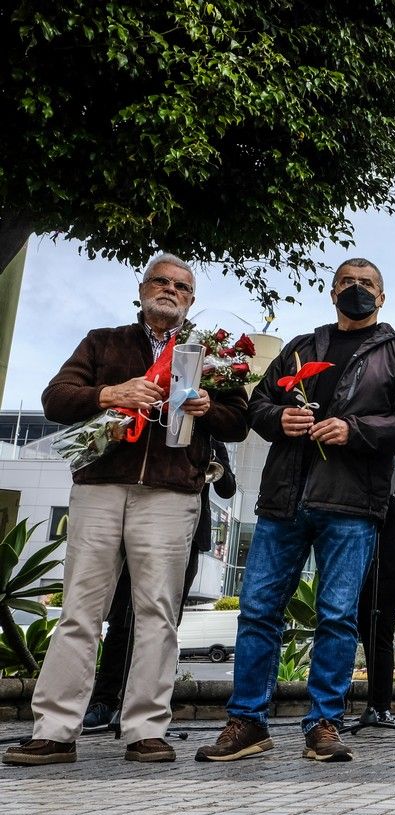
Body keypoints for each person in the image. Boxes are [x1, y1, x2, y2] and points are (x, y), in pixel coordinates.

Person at [4, 253, 249, 766]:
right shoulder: (103, 341)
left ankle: (146, 728)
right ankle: (54, 728)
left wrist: (209, 406)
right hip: (100, 486)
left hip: (170, 493)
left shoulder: (210, 354)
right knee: (79, 612)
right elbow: (56, 399)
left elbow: (238, 422)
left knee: (157, 613)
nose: (169, 290)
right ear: (142, 290)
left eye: (180, 286)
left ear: (191, 300)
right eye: (160, 281)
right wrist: (110, 392)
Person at [195, 258, 395, 763]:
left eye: (367, 283)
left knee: (338, 617)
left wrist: (355, 431)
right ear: (332, 291)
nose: (356, 290)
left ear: (382, 297)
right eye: (347, 283)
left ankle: (323, 723)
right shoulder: (301, 347)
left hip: (351, 504)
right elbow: (256, 406)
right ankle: (248, 721)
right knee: (257, 612)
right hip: (284, 501)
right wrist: (282, 418)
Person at [84, 441, 236, 731]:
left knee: (165, 621)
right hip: (142, 529)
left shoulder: (212, 437)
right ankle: (104, 701)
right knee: (122, 618)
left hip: (188, 537)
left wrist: (214, 461)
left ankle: (147, 706)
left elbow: (227, 489)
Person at [356, 470, 395, 722]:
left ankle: (381, 705)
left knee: (381, 636)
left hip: (390, 571)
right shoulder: (356, 477)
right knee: (362, 635)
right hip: (360, 569)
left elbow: (391, 510)